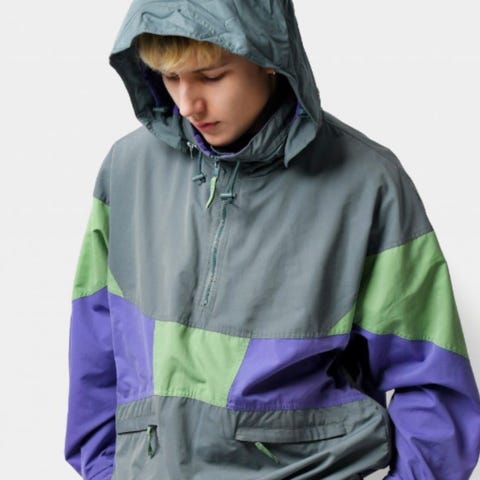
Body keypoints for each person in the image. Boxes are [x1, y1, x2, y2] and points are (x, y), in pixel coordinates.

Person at [65, 1, 480, 479]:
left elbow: (433, 384)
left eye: (211, 77)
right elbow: (96, 350)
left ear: (268, 57)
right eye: (170, 77)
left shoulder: (367, 184)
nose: (187, 104)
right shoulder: (128, 169)